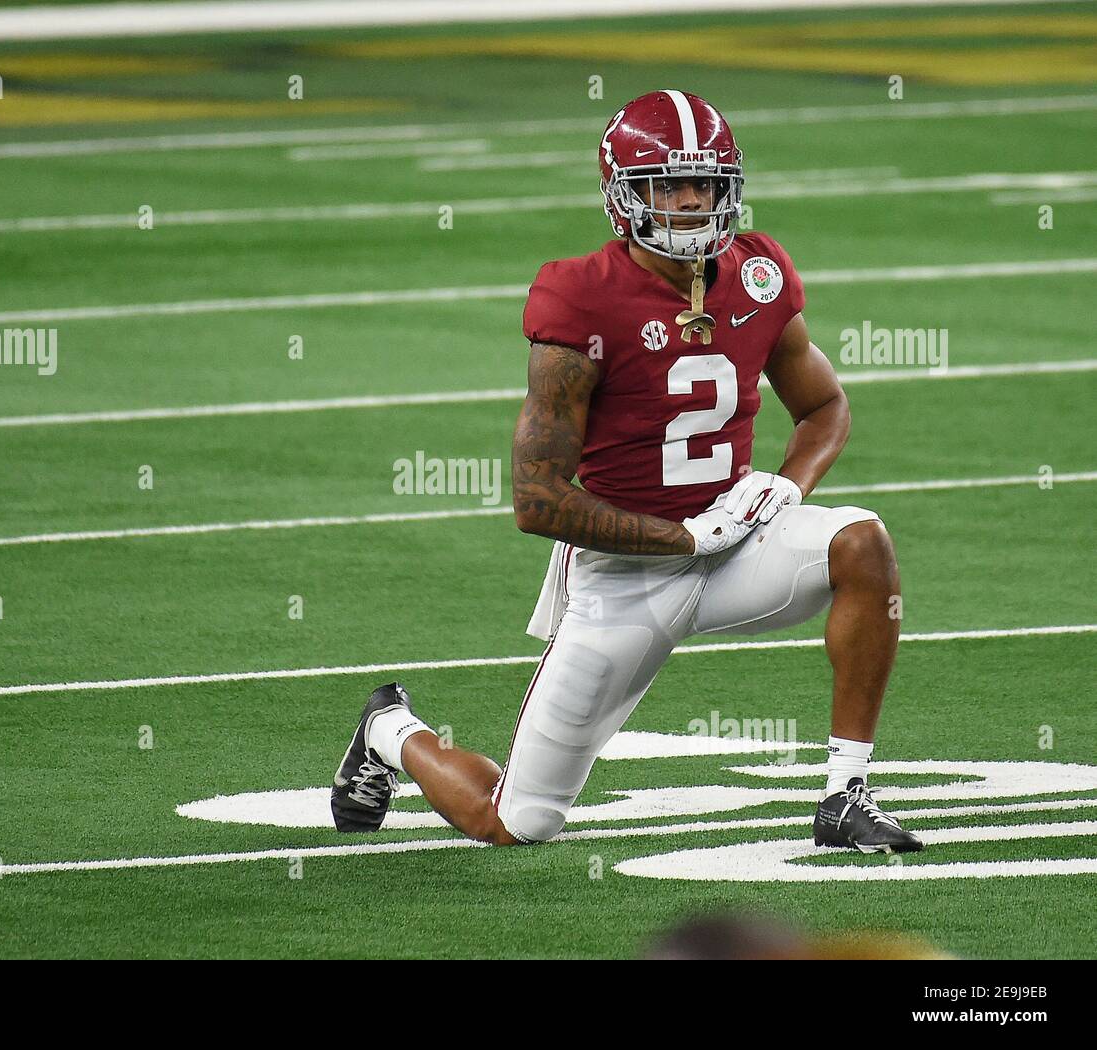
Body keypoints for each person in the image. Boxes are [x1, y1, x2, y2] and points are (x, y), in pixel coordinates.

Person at [331, 90, 922, 855]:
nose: (687, 202)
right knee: (517, 823)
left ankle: (845, 795)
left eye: (703, 184)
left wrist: (786, 486)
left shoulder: (760, 273)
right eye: (664, 185)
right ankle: (391, 730)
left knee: (862, 542)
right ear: (622, 197)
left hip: (734, 546)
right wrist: (680, 537)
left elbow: (825, 407)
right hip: (623, 575)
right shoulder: (580, 296)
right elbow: (537, 501)